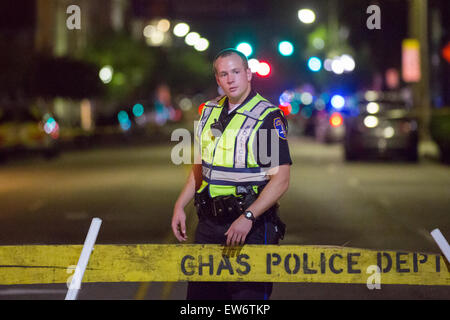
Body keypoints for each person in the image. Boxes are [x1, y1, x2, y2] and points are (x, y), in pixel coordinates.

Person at [171, 48, 292, 300]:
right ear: (217, 79)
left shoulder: (265, 117)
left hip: (250, 227)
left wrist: (248, 217)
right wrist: (180, 205)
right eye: (224, 74)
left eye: (236, 72)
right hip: (209, 223)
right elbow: (201, 167)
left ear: (248, 74)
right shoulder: (209, 111)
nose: (231, 79)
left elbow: (280, 180)